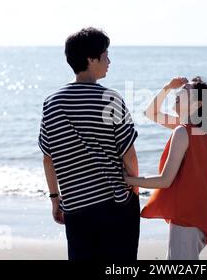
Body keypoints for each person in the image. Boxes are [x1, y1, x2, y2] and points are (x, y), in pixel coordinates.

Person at [38, 27, 140, 260]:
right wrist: (134, 185)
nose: (109, 61)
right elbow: (129, 155)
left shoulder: (51, 103)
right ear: (90, 59)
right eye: (105, 54)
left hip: (75, 206)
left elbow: (48, 157)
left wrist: (55, 200)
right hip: (115, 204)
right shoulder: (110, 98)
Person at [124, 76, 207, 260]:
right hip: (199, 215)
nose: (178, 92)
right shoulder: (194, 130)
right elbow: (151, 113)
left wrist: (127, 179)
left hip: (188, 216)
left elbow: (164, 180)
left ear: (198, 104)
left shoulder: (183, 131)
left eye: (185, 91)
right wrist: (167, 87)